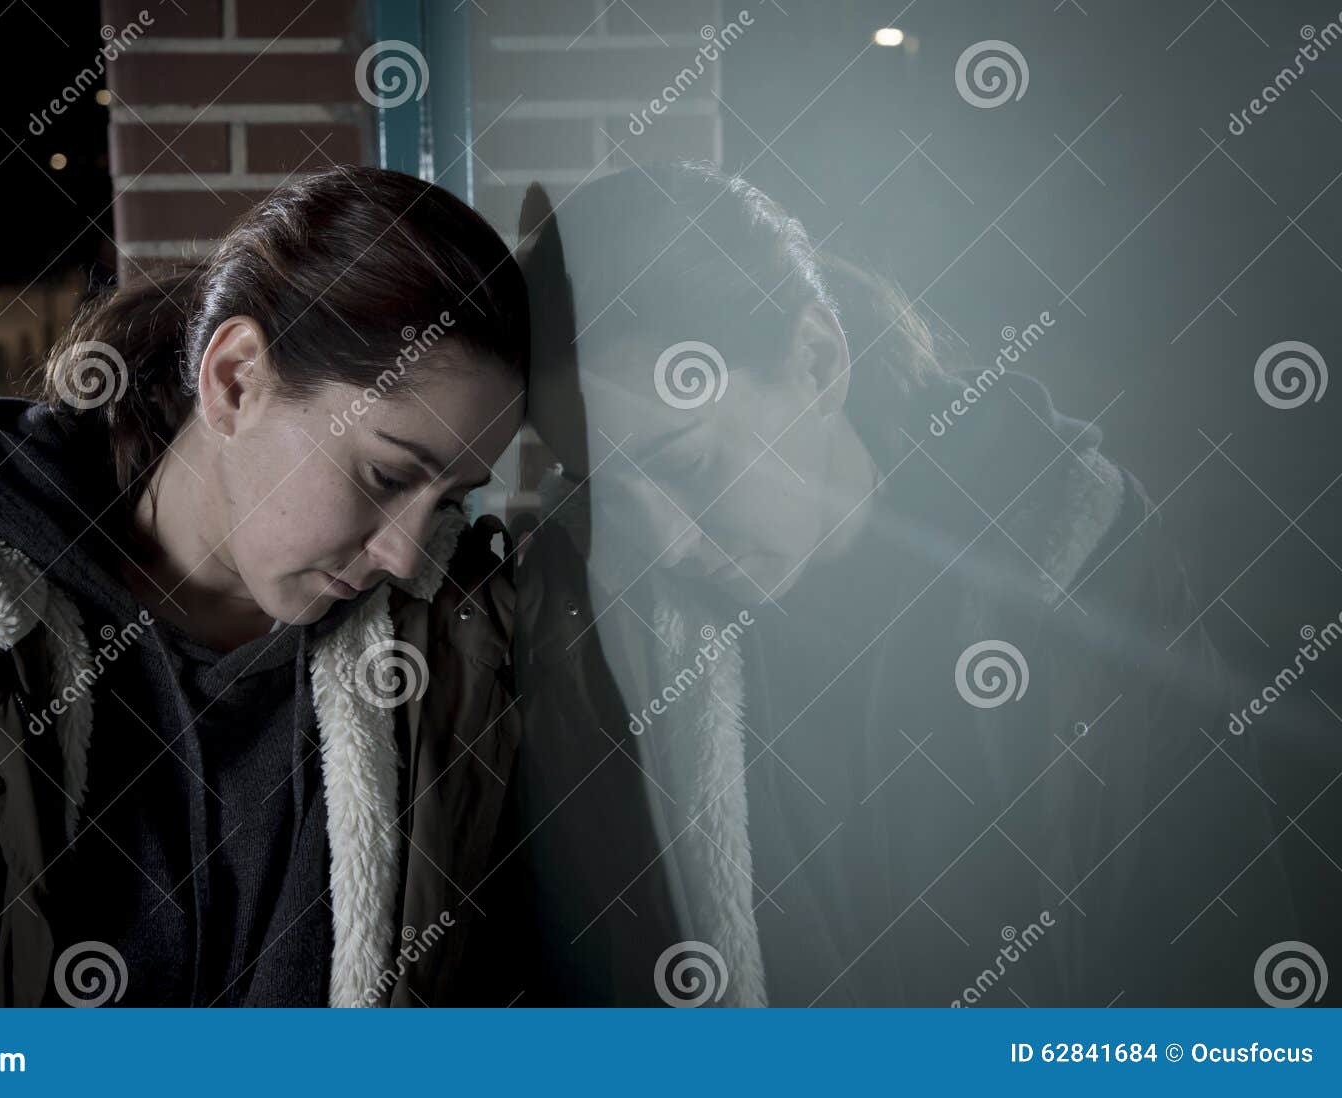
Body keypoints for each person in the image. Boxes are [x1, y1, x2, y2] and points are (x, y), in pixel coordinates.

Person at [510, 161, 1320, 1006]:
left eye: (683, 460)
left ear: (818, 361)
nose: (663, 542)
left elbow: (1230, 942)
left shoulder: (1089, 556)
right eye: (602, 489)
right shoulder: (584, 625)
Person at [0, 166, 530, 1008]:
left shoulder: (448, 637)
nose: (407, 555)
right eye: (384, 474)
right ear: (234, 380)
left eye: (450, 496)